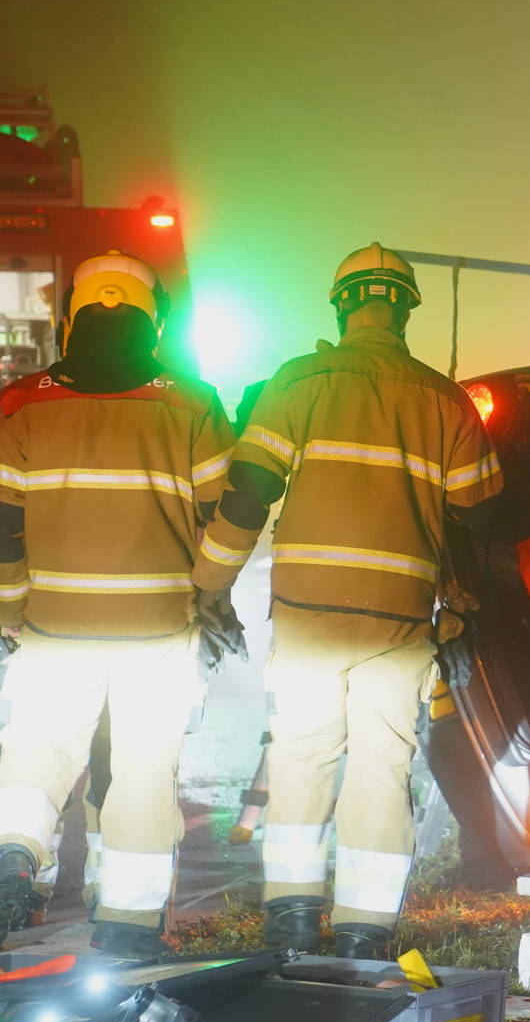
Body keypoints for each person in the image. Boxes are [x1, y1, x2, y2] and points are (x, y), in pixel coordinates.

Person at [191, 243, 502, 959]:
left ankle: (292, 918)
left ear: (341, 304)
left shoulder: (298, 382)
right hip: (398, 624)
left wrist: (209, 582)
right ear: (407, 309)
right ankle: (365, 929)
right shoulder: (443, 398)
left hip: (308, 617)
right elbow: (481, 510)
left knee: (301, 760)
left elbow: (248, 494)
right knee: (382, 768)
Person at [0, 251, 236, 958]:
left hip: (51, 626)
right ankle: (129, 927)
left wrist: (10, 607)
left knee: (37, 753)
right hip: (158, 630)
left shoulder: (21, 402)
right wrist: (210, 592)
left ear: (71, 317)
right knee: (141, 769)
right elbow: (224, 510)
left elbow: (2, 520)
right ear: (152, 319)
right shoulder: (192, 401)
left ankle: (14, 857)